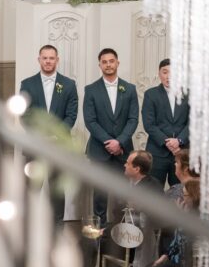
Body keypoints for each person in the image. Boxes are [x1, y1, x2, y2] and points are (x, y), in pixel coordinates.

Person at [19, 44, 77, 223]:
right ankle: (28, 232)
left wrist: (56, 135)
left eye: (52, 58)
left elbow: (71, 114)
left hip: (59, 148)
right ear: (39, 59)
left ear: (57, 60)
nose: (48, 61)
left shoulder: (68, 84)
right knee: (31, 192)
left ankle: (56, 233)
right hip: (34, 147)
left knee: (57, 195)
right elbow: (24, 113)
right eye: (45, 58)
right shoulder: (27, 84)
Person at [83, 48, 139, 224]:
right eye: (104, 62)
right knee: (100, 196)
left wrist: (119, 142)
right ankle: (99, 239)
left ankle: (122, 236)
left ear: (117, 63)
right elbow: (90, 121)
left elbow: (133, 119)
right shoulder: (91, 89)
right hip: (99, 151)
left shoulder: (129, 89)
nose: (108, 64)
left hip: (123, 152)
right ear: (100, 64)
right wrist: (109, 142)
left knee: (122, 196)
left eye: (111, 61)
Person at [141, 59, 189, 188]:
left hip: (181, 152)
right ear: (159, 73)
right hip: (157, 152)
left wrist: (179, 140)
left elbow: (193, 123)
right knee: (153, 194)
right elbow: (149, 124)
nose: (169, 76)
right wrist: (168, 142)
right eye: (165, 72)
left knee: (181, 193)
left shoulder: (189, 94)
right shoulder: (151, 94)